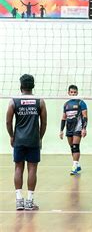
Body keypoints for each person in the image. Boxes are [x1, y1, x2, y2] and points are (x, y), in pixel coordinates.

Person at [6, 74, 47, 210]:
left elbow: (8, 121)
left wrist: (12, 136)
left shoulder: (14, 101)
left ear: (21, 86)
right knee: (32, 169)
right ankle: (29, 202)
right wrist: (39, 137)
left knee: (18, 168)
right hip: (33, 140)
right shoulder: (40, 101)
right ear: (33, 86)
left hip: (19, 140)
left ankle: (19, 201)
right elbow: (44, 123)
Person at [59, 85, 88, 175]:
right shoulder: (66, 104)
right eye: (71, 92)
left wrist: (84, 128)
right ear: (68, 93)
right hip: (69, 127)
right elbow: (64, 118)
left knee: (75, 146)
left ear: (77, 93)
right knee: (72, 147)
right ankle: (77, 165)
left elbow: (85, 116)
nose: (73, 94)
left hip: (78, 127)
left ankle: (74, 166)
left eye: (75, 92)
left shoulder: (81, 103)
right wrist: (61, 130)